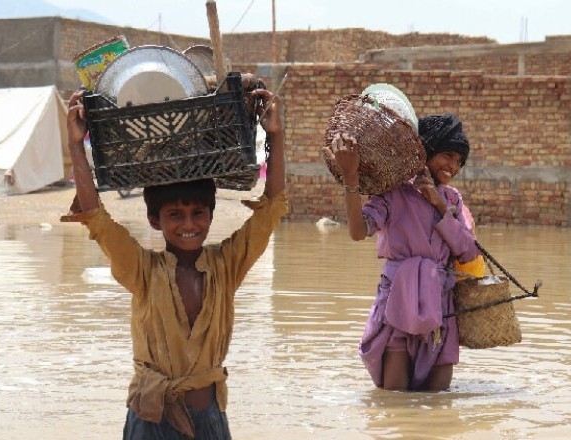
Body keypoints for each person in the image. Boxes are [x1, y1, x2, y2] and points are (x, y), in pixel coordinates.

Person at [62, 87, 287, 439]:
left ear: (211, 216)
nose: (188, 224)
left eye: (197, 213)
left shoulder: (226, 266)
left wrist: (275, 134)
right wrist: (76, 144)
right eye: (175, 215)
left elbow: (272, 208)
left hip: (210, 420)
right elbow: (96, 217)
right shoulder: (142, 270)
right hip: (151, 420)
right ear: (155, 220)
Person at [323, 112, 480, 392]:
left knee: (439, 397)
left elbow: (468, 252)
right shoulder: (393, 193)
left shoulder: (452, 199)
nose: (453, 166)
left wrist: (438, 204)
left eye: (459, 161)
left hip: (442, 305)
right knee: (395, 399)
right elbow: (359, 232)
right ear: (427, 151)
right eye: (447, 155)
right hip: (398, 300)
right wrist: (351, 177)